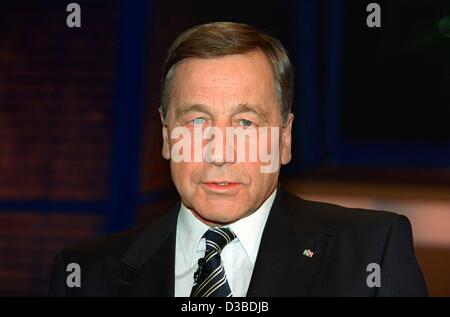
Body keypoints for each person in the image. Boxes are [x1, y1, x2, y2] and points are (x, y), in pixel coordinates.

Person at [49, 22, 428, 297]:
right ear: (166, 137)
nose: (221, 152)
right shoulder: (86, 273)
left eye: (246, 123)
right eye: (197, 122)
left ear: (284, 139)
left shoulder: (370, 252)